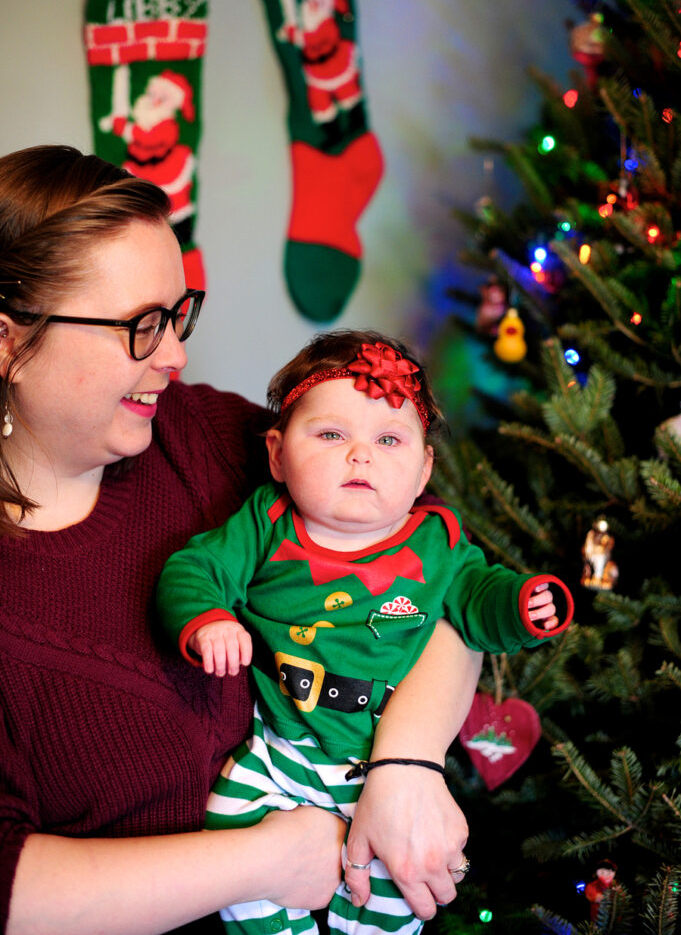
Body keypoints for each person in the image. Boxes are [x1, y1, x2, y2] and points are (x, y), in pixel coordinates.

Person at [0, 145, 482, 935]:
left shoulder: (204, 439)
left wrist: (406, 764)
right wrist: (265, 861)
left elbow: (445, 576)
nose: (177, 356)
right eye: (140, 328)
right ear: (9, 342)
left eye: (179, 314)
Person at [157, 330, 574, 935]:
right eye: (331, 435)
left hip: (372, 767)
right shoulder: (265, 522)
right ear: (277, 454)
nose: (361, 455)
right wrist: (209, 617)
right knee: (227, 816)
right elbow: (194, 569)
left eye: (388, 439)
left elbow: (477, 602)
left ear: (423, 466)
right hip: (277, 750)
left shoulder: (437, 543)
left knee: (392, 888)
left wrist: (520, 604)